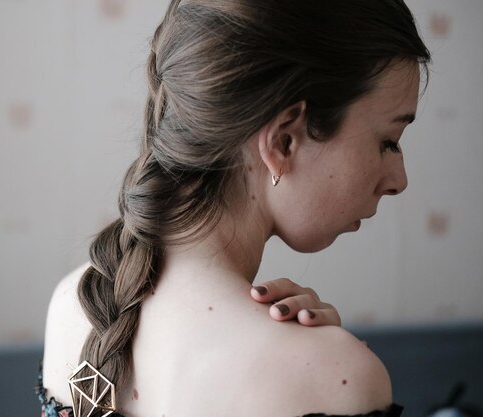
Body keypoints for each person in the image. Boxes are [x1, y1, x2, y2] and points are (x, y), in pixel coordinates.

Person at [38, 0, 430, 416]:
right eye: (388, 141)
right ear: (284, 141)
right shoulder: (335, 375)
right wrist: (326, 366)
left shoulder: (74, 304)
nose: (398, 180)